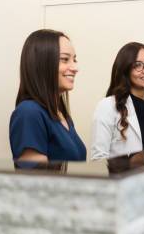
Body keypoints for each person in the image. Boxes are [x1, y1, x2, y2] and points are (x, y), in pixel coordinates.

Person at [9, 29, 86, 162]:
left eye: (74, 60)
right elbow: (38, 180)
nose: (75, 68)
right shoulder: (29, 112)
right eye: (65, 59)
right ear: (42, 63)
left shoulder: (62, 115)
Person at [91, 42, 144, 159]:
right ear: (125, 70)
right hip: (123, 177)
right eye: (138, 65)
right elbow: (99, 158)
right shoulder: (107, 107)